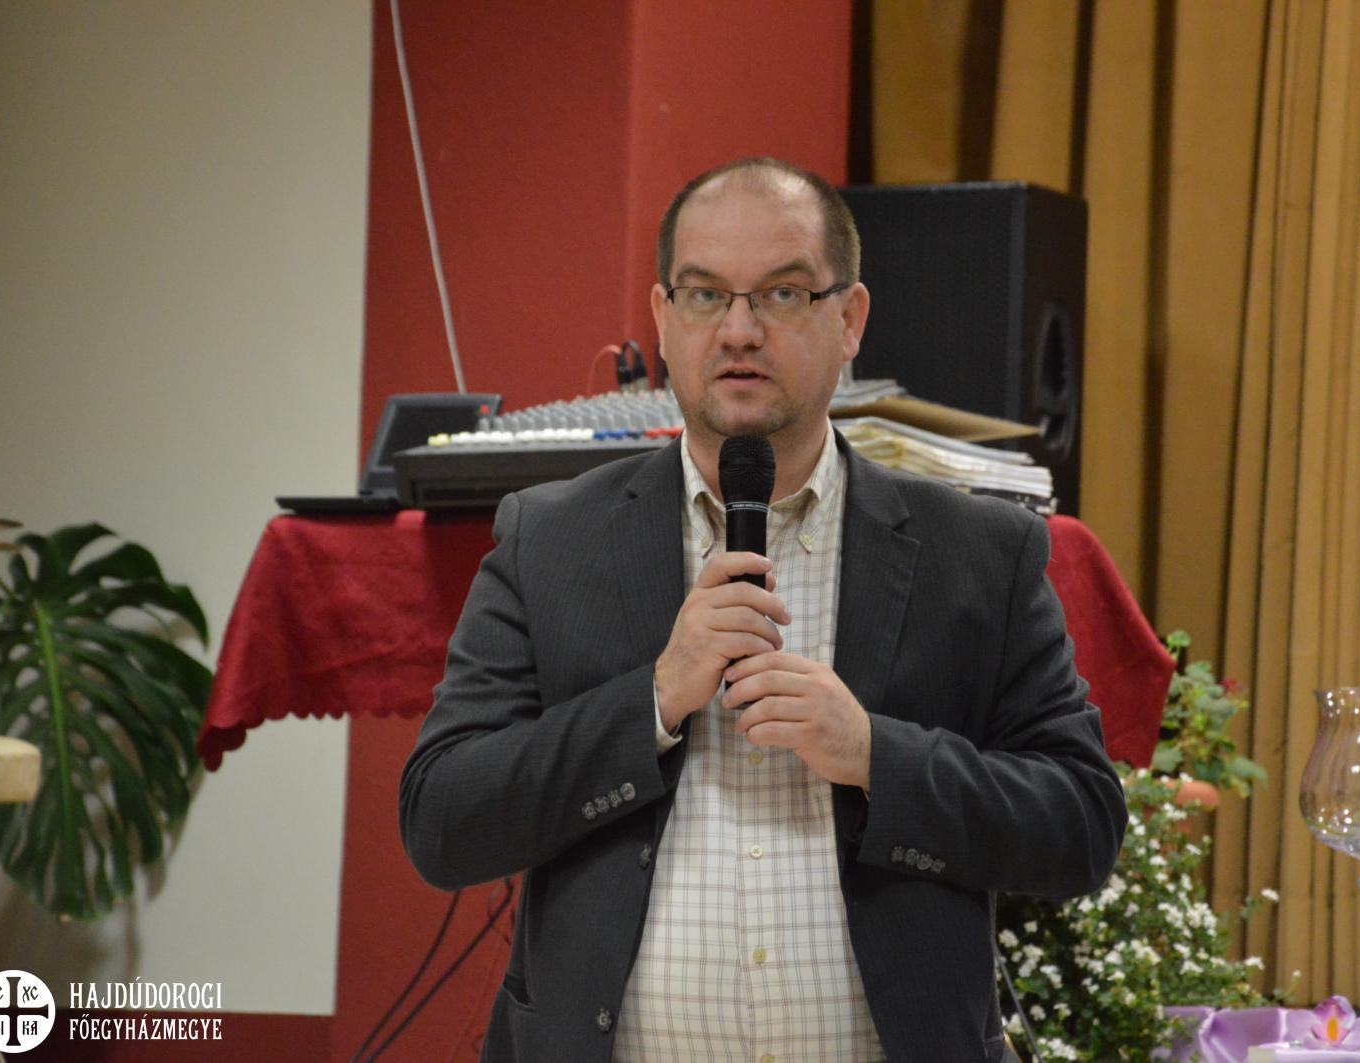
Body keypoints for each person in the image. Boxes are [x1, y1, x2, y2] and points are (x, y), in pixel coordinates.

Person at [399, 158, 1125, 1063]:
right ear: (664, 317)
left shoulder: (977, 552)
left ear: (849, 319)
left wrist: (874, 754)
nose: (738, 331)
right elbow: (442, 820)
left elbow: (1080, 825)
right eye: (705, 295)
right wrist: (651, 701)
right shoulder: (551, 541)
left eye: (783, 294)